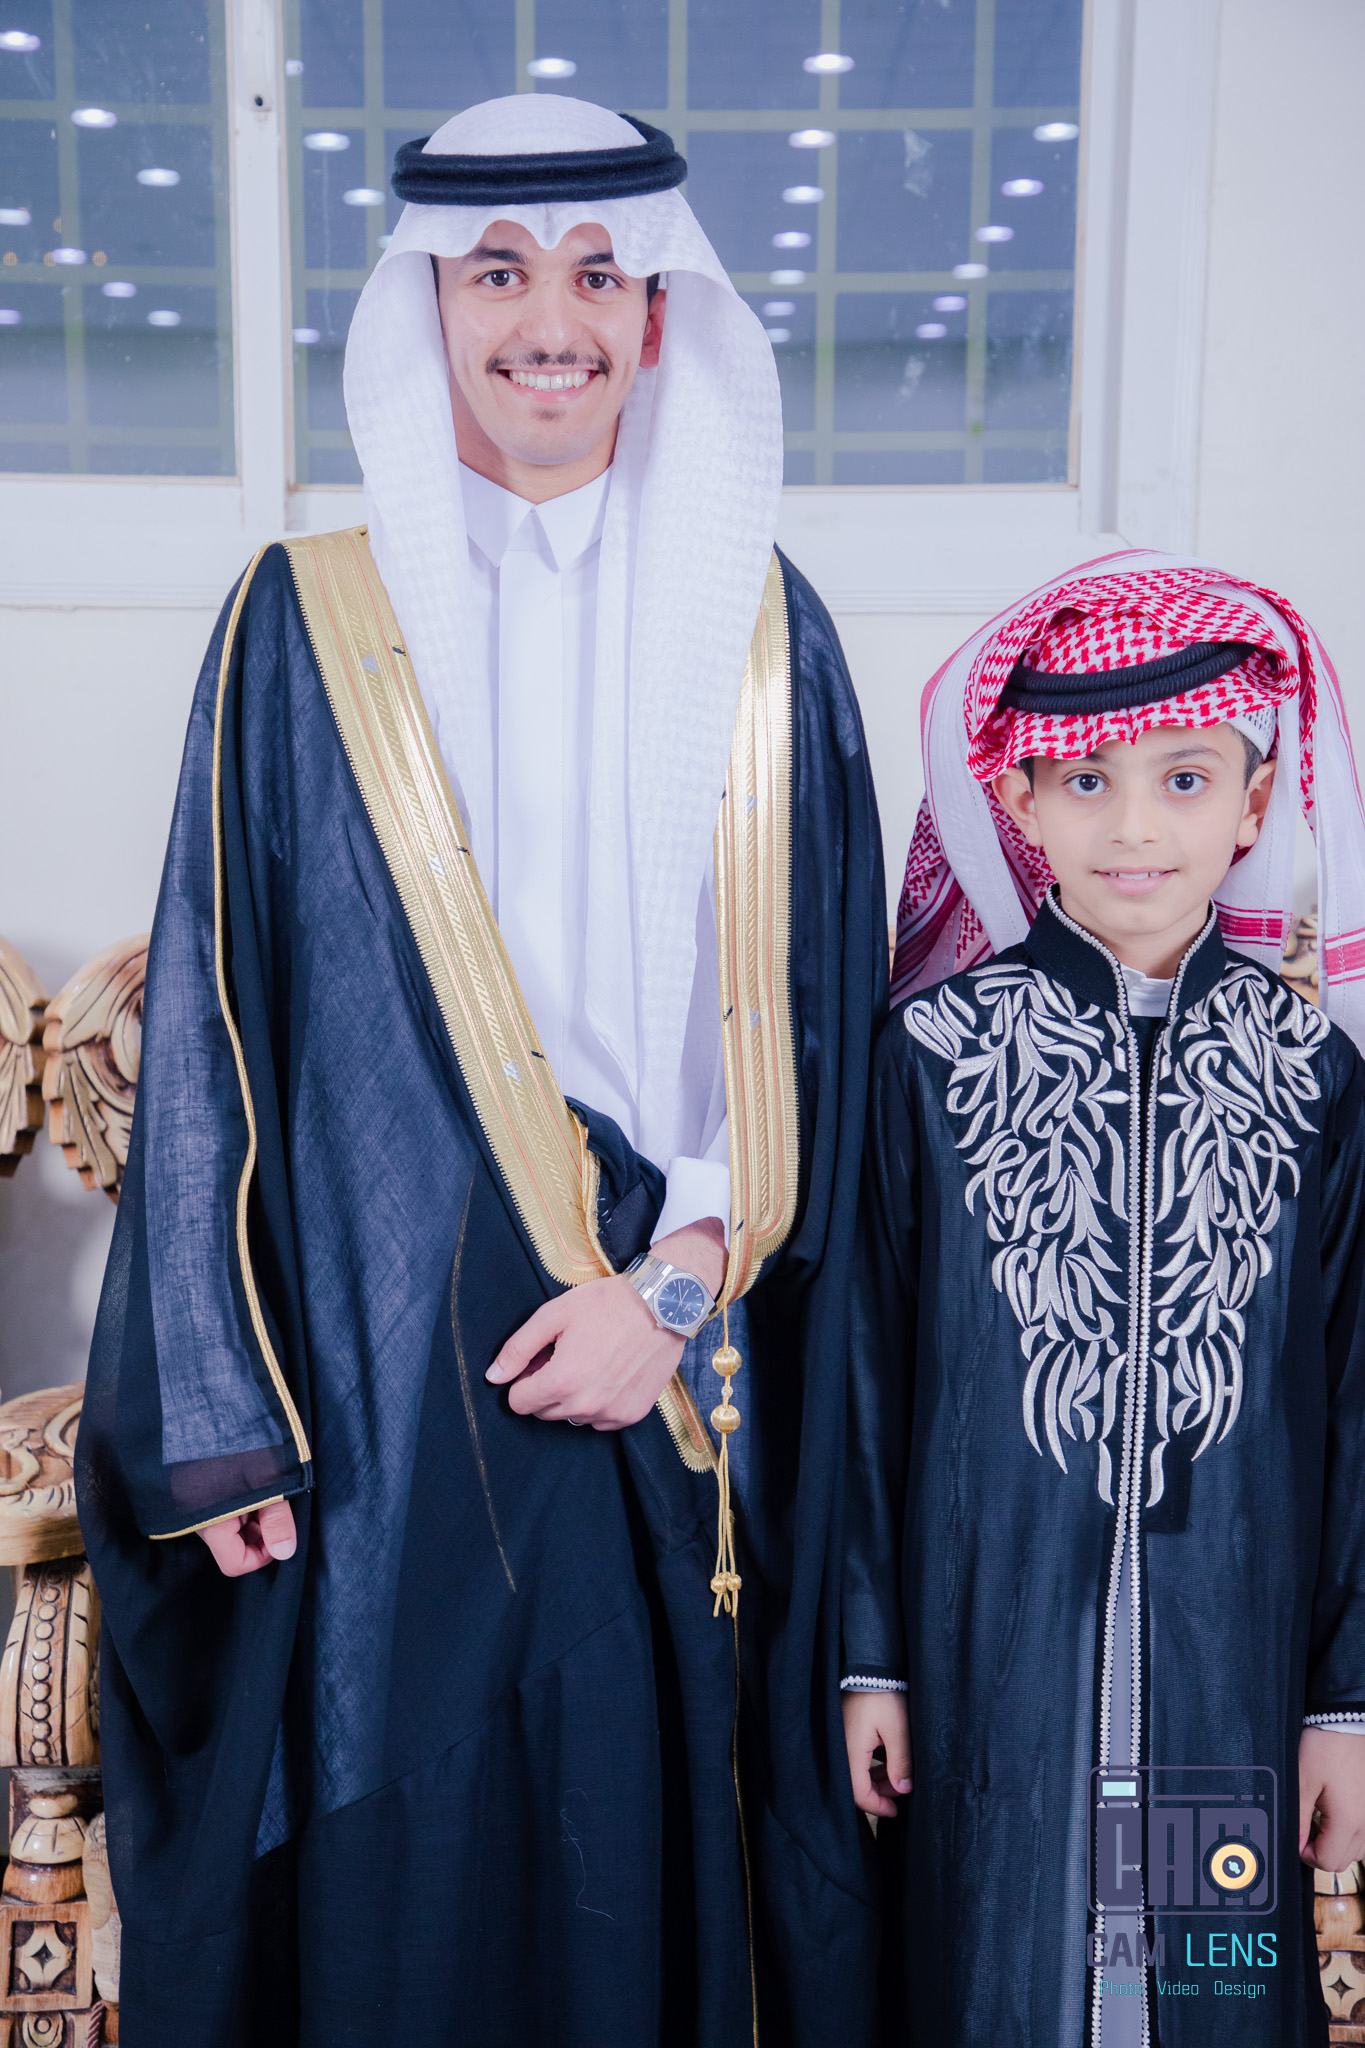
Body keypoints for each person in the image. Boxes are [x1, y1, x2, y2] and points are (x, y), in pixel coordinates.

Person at [76, 96, 887, 2047]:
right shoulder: (301, 623)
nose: (550, 320)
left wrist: (669, 1291)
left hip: (680, 1356)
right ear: (425, 307)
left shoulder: (767, 640)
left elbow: (820, 1046)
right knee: (402, 1848)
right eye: (497, 272)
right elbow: (217, 1022)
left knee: (648, 1842)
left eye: (599, 274)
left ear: (660, 316)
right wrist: (219, 1421)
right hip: (380, 1373)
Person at [842, 550, 1365, 2045]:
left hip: (1230, 1657)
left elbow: (1354, 1407)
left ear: (1252, 807)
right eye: (1085, 782)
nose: (1135, 827)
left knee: (1204, 1980)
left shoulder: (1313, 1078)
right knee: (997, 1975)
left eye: (1185, 781)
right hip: (983, 1649)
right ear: (1016, 804)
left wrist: (1344, 1702)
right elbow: (866, 1379)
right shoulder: (931, 1061)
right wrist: (871, 1659)